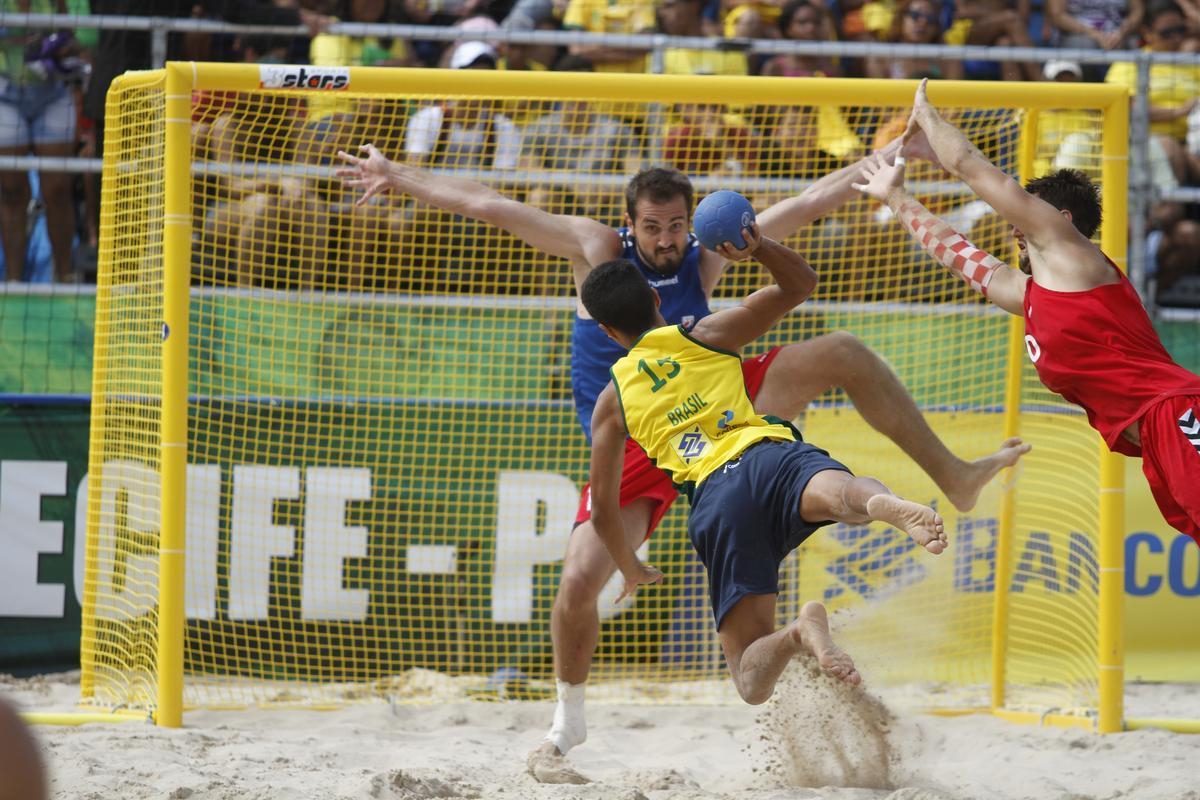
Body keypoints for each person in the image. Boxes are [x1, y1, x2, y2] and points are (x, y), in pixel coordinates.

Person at [336, 141, 1028, 783]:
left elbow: (812, 202)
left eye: (676, 226)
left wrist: (886, 158)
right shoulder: (595, 251)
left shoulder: (706, 253)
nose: (666, 240)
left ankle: (954, 476)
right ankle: (564, 728)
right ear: (629, 224)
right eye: (654, 227)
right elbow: (489, 205)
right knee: (578, 585)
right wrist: (397, 177)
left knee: (842, 350)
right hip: (635, 437)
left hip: (712, 405)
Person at [580, 232, 946, 715]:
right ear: (654, 297)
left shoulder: (611, 403)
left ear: (606, 331)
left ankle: (796, 633)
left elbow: (604, 510)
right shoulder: (706, 335)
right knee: (844, 495)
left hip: (718, 498)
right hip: (768, 453)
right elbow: (800, 285)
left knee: (751, 681)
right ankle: (880, 504)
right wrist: (759, 247)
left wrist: (631, 568)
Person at [852, 78, 1200, 548]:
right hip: (1159, 439)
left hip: (1176, 414)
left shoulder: (1070, 251)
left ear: (1060, 220)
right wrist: (896, 197)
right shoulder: (1035, 294)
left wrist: (925, 114)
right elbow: (960, 257)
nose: (1014, 229)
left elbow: (973, 168)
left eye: (1024, 218)